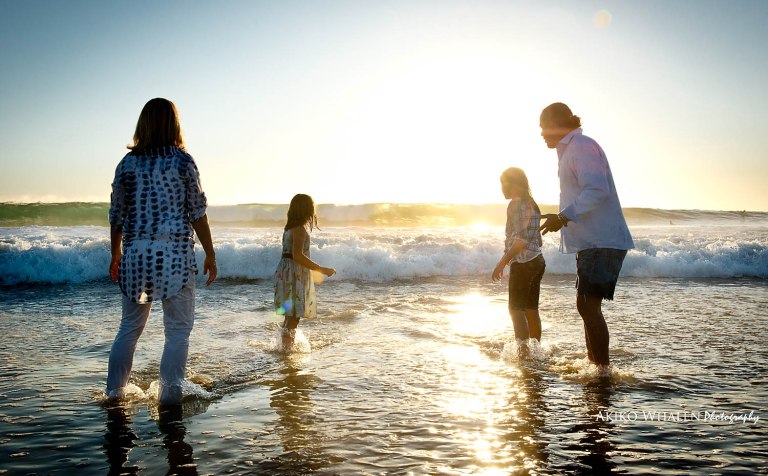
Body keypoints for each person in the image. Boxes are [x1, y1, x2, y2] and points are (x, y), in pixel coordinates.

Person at [106, 98, 217, 404]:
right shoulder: (183, 161)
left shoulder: (126, 165)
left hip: (137, 257)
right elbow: (197, 212)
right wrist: (210, 253)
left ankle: (114, 394)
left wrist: (115, 254)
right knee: (178, 332)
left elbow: (117, 215)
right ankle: (170, 397)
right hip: (174, 258)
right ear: (174, 125)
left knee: (129, 329)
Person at [538, 102, 634, 368]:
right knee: (585, 305)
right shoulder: (572, 150)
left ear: (557, 124)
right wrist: (561, 217)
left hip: (601, 239)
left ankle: (602, 371)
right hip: (592, 240)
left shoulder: (581, 147)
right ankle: (596, 366)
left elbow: (596, 190)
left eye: (543, 127)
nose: (541, 134)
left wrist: (563, 217)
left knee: (588, 306)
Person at [492, 167, 546, 346]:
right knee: (531, 309)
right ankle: (535, 353)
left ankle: (524, 356)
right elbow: (537, 240)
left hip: (524, 262)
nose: (501, 188)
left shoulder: (518, 204)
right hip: (536, 261)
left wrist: (502, 263)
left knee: (516, 310)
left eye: (503, 183)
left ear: (514, 184)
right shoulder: (530, 202)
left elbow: (520, 241)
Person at [274, 194, 336, 348]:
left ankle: (284, 347)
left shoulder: (289, 228)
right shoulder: (300, 229)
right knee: (294, 315)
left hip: (286, 272)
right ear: (307, 210)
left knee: (290, 314)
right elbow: (298, 256)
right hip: (294, 274)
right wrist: (322, 269)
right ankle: (287, 351)